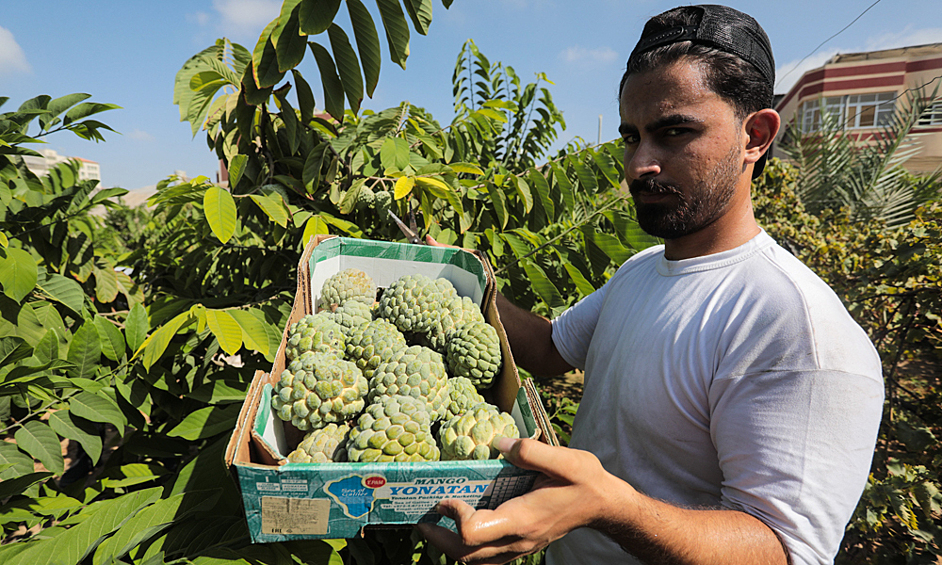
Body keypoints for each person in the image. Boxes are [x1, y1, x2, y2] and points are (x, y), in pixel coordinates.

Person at [417, 5, 884, 565]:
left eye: (674, 132)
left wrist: (614, 509)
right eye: (632, 137)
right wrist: (453, 276)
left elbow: (787, 551)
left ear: (755, 135)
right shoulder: (640, 270)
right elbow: (545, 351)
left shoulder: (794, 326)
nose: (640, 164)